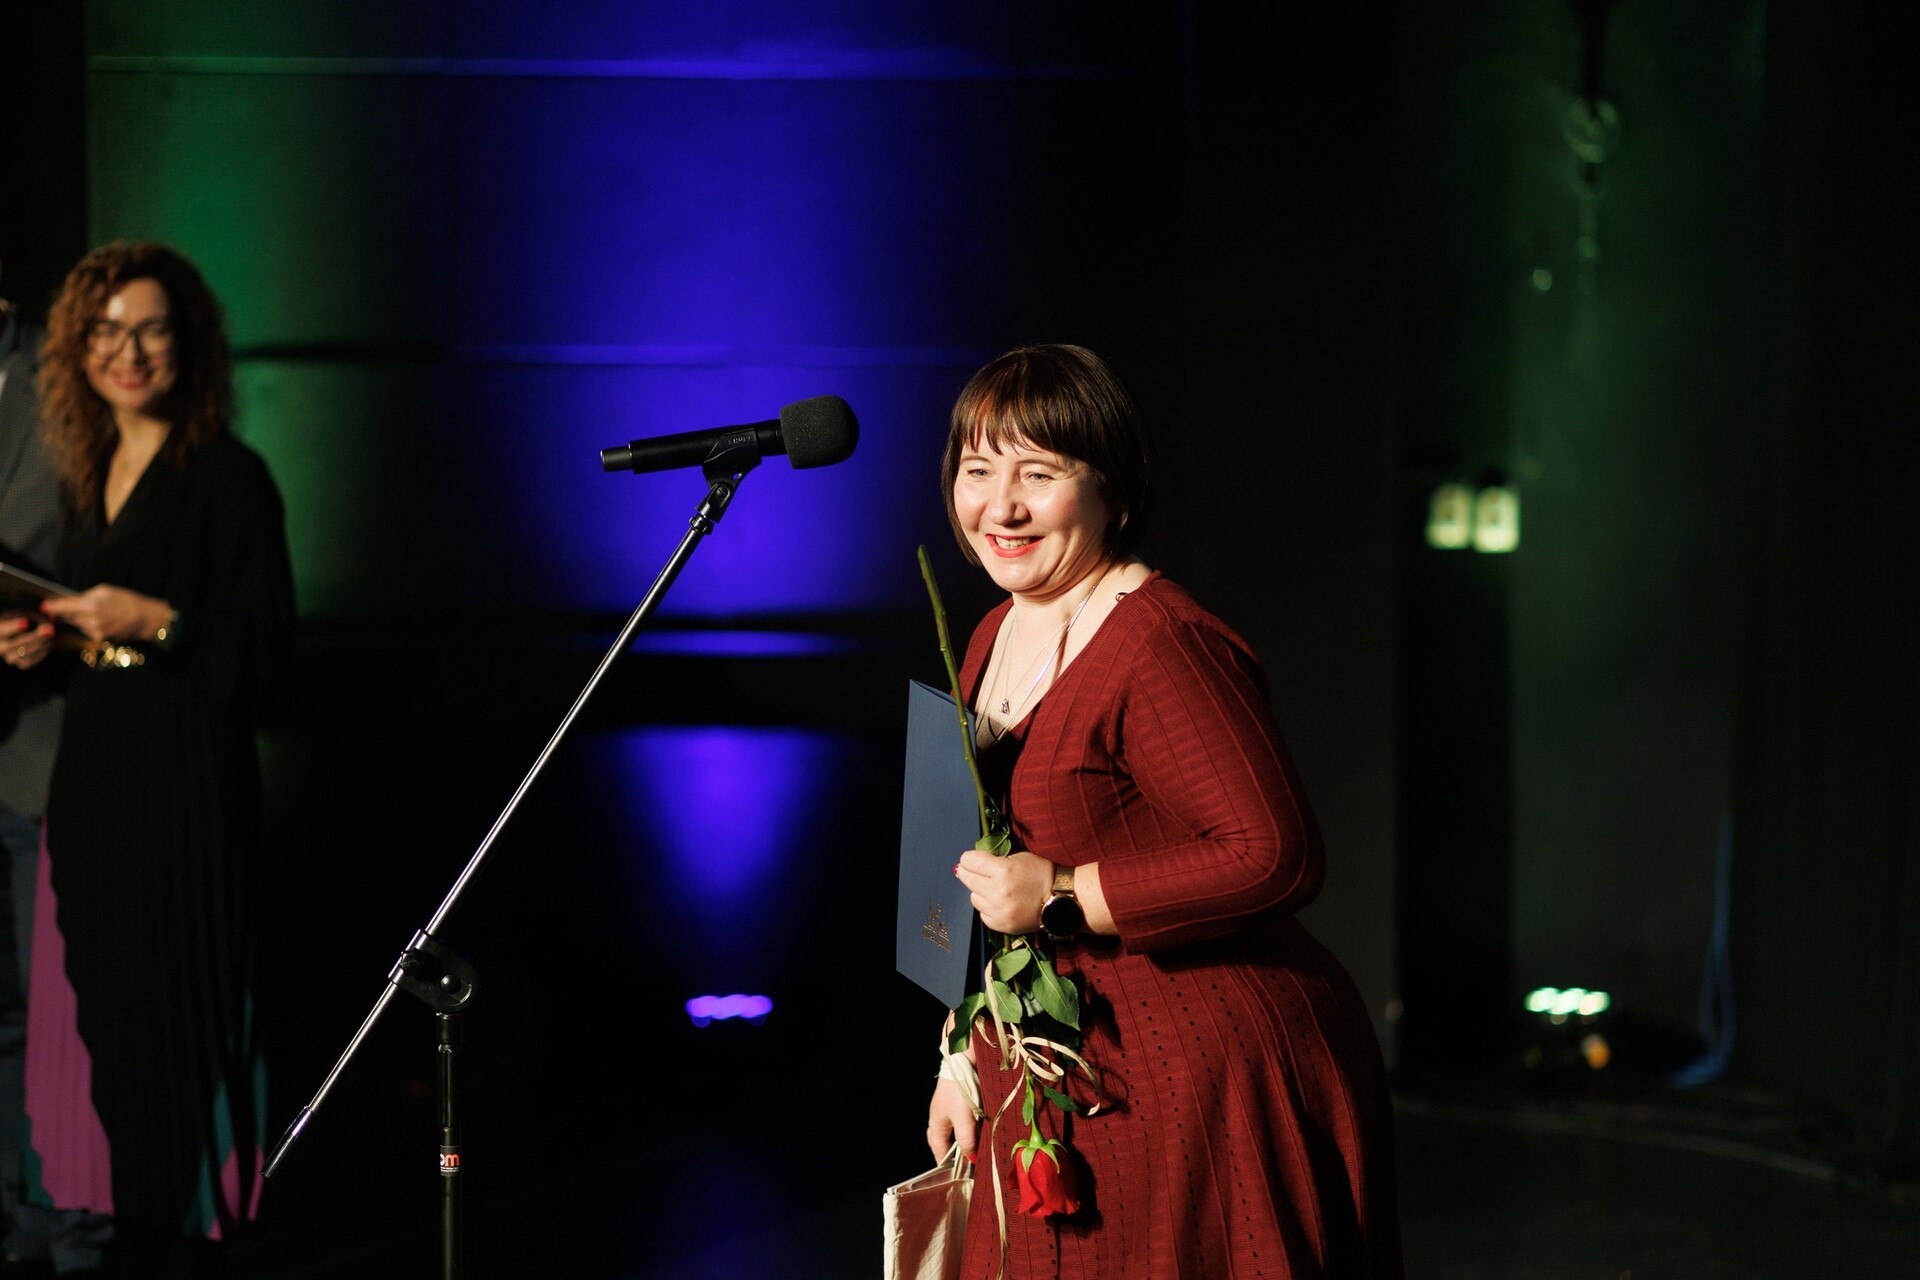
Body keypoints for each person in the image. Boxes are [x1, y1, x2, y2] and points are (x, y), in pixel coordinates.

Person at [921, 343, 1403, 1278]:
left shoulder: (1159, 642)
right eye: (979, 471)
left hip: (1197, 1072)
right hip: (1063, 1066)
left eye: (1039, 474)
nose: (1001, 507)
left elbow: (1277, 854)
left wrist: (1061, 893)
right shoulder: (993, 632)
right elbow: (984, 878)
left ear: (1111, 489)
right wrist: (962, 1058)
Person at [10, 241, 296, 1277]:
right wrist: (39, 638)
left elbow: (264, 655)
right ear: (77, 349)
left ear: (191, 343)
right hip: (93, 774)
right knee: (96, 1020)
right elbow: (87, 628)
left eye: (152, 329)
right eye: (106, 330)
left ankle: (195, 1232)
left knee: (187, 1010)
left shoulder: (229, 476)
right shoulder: (84, 475)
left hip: (187, 781)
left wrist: (160, 622)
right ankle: (108, 1230)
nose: (129, 351)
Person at [1, 261, 115, 1277]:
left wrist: (48, 627)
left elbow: (120, 546)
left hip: (41, 742)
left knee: (58, 1012)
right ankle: (21, 1223)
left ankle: (77, 1234)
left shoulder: (63, 373)